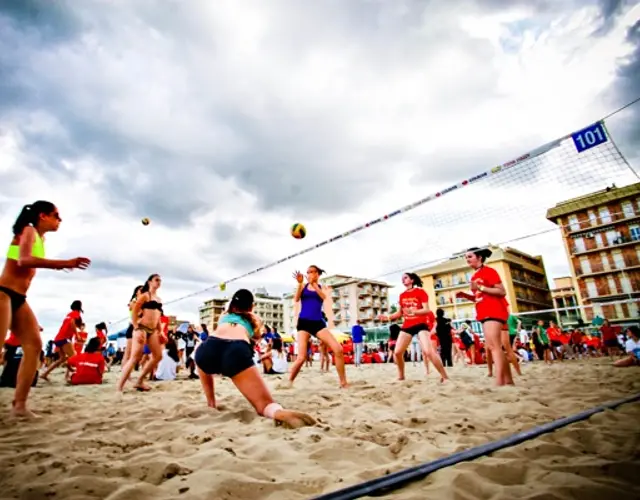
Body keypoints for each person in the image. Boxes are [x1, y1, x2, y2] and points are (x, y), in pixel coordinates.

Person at [0, 201, 90, 417]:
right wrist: (64, 263)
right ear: (43, 216)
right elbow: (24, 260)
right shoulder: (29, 229)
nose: (59, 220)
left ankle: (19, 405)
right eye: (56, 215)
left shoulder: (41, 237)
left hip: (19, 298)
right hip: (3, 293)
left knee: (34, 346)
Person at [195, 289, 315, 428]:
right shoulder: (255, 319)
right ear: (252, 306)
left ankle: (211, 403)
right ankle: (279, 413)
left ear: (232, 304)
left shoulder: (223, 316)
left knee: (202, 358)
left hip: (209, 348)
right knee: (264, 406)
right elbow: (256, 337)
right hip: (235, 350)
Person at [456, 247, 513, 386]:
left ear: (479, 257)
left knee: (495, 346)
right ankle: (508, 380)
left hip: (494, 310)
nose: (467, 259)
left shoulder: (489, 271)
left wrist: (480, 288)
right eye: (466, 257)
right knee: (493, 346)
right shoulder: (475, 275)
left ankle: (499, 381)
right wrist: (465, 295)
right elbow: (478, 297)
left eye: (470, 256)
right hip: (483, 311)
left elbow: (501, 291)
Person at [380, 273, 448, 382]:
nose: (403, 279)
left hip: (420, 324)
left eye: (405, 277)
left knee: (428, 351)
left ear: (412, 280)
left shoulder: (420, 292)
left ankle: (444, 376)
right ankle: (401, 376)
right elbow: (399, 313)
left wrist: (414, 311)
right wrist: (387, 317)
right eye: (402, 278)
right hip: (407, 325)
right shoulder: (402, 295)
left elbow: (427, 310)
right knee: (397, 352)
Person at [288, 266, 348, 388]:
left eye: (312, 272)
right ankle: (288, 382)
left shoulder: (321, 287)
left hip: (318, 323)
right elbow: (296, 299)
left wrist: (314, 284)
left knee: (338, 349)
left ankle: (343, 382)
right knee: (301, 358)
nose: (309, 274)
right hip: (304, 322)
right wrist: (300, 284)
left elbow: (323, 297)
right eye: (308, 272)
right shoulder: (303, 286)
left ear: (317, 274)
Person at [117, 274, 165, 392]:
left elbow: (158, 317)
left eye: (160, 280)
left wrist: (161, 331)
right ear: (149, 282)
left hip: (152, 330)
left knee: (158, 356)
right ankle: (119, 387)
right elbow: (134, 311)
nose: (159, 282)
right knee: (134, 357)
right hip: (142, 328)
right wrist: (136, 327)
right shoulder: (145, 295)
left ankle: (140, 380)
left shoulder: (158, 299)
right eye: (156, 280)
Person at [41, 300, 84, 381]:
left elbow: (72, 324)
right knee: (73, 357)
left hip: (58, 338)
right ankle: (68, 373)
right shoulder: (76, 313)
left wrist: (78, 331)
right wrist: (77, 335)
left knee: (62, 358)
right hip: (64, 338)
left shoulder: (69, 314)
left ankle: (44, 374)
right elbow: (72, 323)